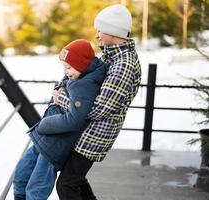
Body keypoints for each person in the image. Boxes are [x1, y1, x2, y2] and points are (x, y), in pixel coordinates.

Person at [54, 4, 142, 200]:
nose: (97, 35)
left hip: (95, 135)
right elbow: (81, 73)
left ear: (114, 31)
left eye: (100, 29)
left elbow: (97, 109)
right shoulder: (109, 55)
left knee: (66, 185)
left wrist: (61, 99)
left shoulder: (123, 65)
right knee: (76, 180)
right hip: (85, 130)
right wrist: (61, 85)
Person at [13, 39, 107, 200]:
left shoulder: (84, 85)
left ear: (82, 64)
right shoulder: (77, 77)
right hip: (45, 139)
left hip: (55, 146)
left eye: (69, 67)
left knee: (36, 188)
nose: (66, 71)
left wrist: (43, 125)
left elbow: (74, 120)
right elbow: (63, 89)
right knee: (21, 175)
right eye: (64, 67)